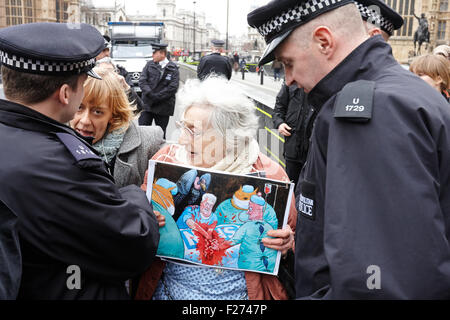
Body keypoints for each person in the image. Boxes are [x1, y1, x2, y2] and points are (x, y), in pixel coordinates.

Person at [248, 0, 450, 299]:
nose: (288, 78)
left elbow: (379, 281)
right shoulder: (393, 92)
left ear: (324, 41)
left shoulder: (371, 110)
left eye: (288, 62)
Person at [0, 22, 160, 300]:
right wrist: (134, 195)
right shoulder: (64, 165)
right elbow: (134, 245)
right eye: (83, 85)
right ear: (65, 94)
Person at [135, 76, 296, 300]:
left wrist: (287, 243)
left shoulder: (271, 173)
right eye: (183, 127)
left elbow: (294, 238)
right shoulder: (166, 161)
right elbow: (139, 226)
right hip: (168, 291)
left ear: (229, 136)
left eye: (194, 131)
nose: (181, 139)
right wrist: (145, 220)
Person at [70, 67, 165, 187]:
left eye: (97, 112)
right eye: (79, 107)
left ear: (114, 115)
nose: (84, 121)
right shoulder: (50, 142)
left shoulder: (149, 145)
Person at [139, 42, 180, 138]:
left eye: (154, 53)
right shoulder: (149, 65)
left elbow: (172, 87)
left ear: (162, 53)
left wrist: (157, 96)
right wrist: (150, 93)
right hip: (147, 105)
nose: (152, 55)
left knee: (161, 134)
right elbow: (142, 81)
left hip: (163, 107)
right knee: (143, 132)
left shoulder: (173, 68)